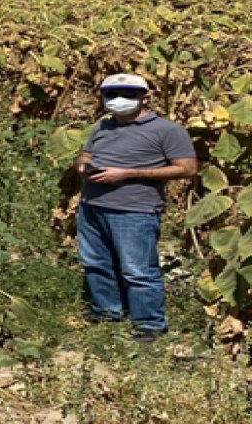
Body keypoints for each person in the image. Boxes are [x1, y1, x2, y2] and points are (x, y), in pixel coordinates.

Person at [76, 73, 197, 343]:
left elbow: (187, 168)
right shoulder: (104, 127)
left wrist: (127, 173)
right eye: (111, 94)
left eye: (128, 94)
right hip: (92, 206)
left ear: (146, 97)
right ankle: (107, 311)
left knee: (137, 270)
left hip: (134, 211)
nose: (119, 100)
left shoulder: (167, 130)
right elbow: (85, 156)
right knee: (96, 263)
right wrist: (84, 168)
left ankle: (149, 324)